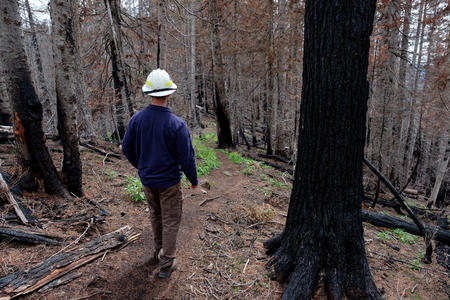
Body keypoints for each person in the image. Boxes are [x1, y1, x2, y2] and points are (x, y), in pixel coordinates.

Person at [122, 69, 198, 279]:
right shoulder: (177, 125)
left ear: (149, 93)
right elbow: (187, 158)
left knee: (156, 215)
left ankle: (158, 253)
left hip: (148, 180)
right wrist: (193, 181)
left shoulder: (137, 120)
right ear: (169, 93)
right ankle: (167, 264)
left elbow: (126, 148)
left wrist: (141, 166)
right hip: (169, 183)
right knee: (171, 220)